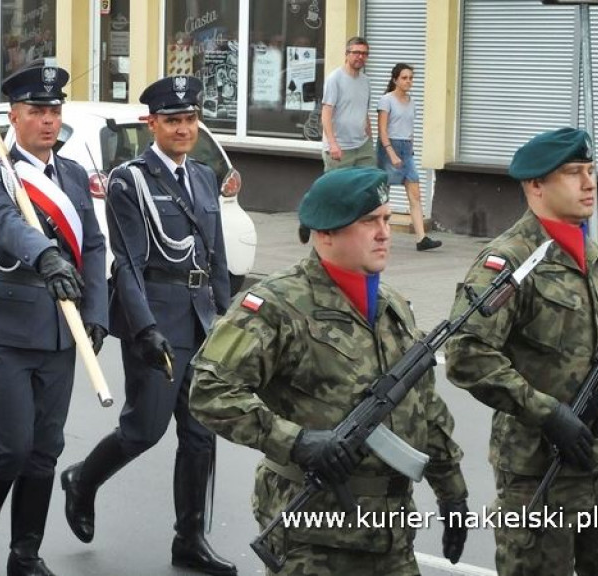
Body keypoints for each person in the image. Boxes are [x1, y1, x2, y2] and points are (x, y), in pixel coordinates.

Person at [189, 167, 469, 575]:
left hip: (392, 532)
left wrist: (452, 493)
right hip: (313, 536)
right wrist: (298, 442)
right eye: (369, 222)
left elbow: (425, 405)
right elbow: (210, 389)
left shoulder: (394, 306)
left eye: (387, 220)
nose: (384, 232)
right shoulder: (277, 305)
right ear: (325, 234)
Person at [60, 75, 235, 576]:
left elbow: (215, 253)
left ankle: (190, 538)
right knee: (145, 429)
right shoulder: (129, 180)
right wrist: (144, 328)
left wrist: (224, 317)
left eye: (190, 120)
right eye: (173, 121)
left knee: (201, 434)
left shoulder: (202, 176)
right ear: (152, 124)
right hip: (156, 316)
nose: (183, 129)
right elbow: (128, 264)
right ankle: (82, 480)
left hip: (201, 317)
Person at [445, 127, 598, 575]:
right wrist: (548, 413)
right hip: (539, 472)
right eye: (574, 173)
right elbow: (467, 352)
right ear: (535, 184)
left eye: (590, 171)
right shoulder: (511, 262)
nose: (589, 182)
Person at [0, 61, 107, 576]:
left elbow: (93, 243)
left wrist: (97, 313)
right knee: (8, 447)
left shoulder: (70, 174)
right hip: (2, 327)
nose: (49, 120)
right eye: (37, 111)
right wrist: (46, 255)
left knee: (45, 449)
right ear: (15, 117)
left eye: (55, 110)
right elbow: (2, 225)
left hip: (60, 330)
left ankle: (25, 552)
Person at [377, 63, 441, 252]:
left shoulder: (411, 101)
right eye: (404, 78)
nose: (408, 81)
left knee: (415, 194)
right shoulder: (386, 100)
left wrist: (410, 150)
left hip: (406, 149)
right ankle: (379, 235)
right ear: (395, 79)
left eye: (411, 78)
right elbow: (382, 130)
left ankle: (422, 239)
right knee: (383, 197)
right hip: (389, 147)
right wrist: (391, 153)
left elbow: (410, 128)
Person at [321, 36, 374, 171]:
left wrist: (370, 137)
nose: (360, 57)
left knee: (366, 187)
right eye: (356, 52)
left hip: (363, 147)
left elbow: (363, 111)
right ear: (346, 54)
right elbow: (326, 113)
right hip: (340, 147)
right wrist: (332, 144)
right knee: (338, 190)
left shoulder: (365, 81)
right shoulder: (335, 79)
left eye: (364, 53)